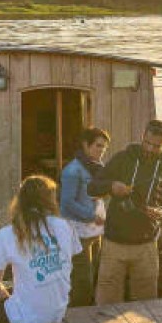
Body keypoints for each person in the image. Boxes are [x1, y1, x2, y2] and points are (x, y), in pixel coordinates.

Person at [0, 176, 83, 323]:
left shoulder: (8, 234)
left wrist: (5, 301)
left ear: (19, 201)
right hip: (57, 312)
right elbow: (65, 267)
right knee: (17, 288)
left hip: (24, 319)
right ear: (51, 200)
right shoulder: (65, 226)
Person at [88, 119, 162, 304]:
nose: (151, 149)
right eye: (148, 143)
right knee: (106, 303)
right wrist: (111, 187)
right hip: (114, 243)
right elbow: (92, 187)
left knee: (147, 305)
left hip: (146, 247)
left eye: (156, 145)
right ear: (142, 136)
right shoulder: (122, 158)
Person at [60, 127, 110, 306]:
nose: (101, 151)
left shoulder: (97, 167)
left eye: (104, 147)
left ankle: (89, 309)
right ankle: (78, 315)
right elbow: (66, 204)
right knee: (83, 280)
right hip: (79, 234)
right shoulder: (72, 171)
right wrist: (91, 216)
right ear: (85, 145)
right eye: (98, 146)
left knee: (96, 274)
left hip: (96, 232)